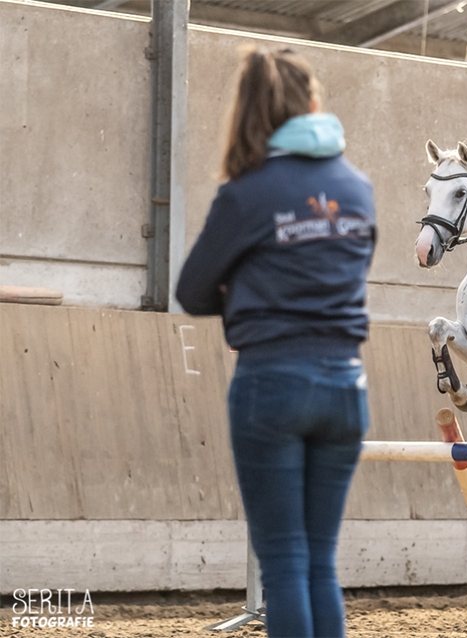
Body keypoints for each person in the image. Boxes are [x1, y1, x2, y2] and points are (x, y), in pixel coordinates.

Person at [176, 46, 376, 638]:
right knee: (320, 562)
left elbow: (191, 291)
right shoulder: (358, 187)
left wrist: (248, 305)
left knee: (284, 562)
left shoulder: (247, 191)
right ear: (313, 104)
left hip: (271, 385)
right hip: (346, 385)